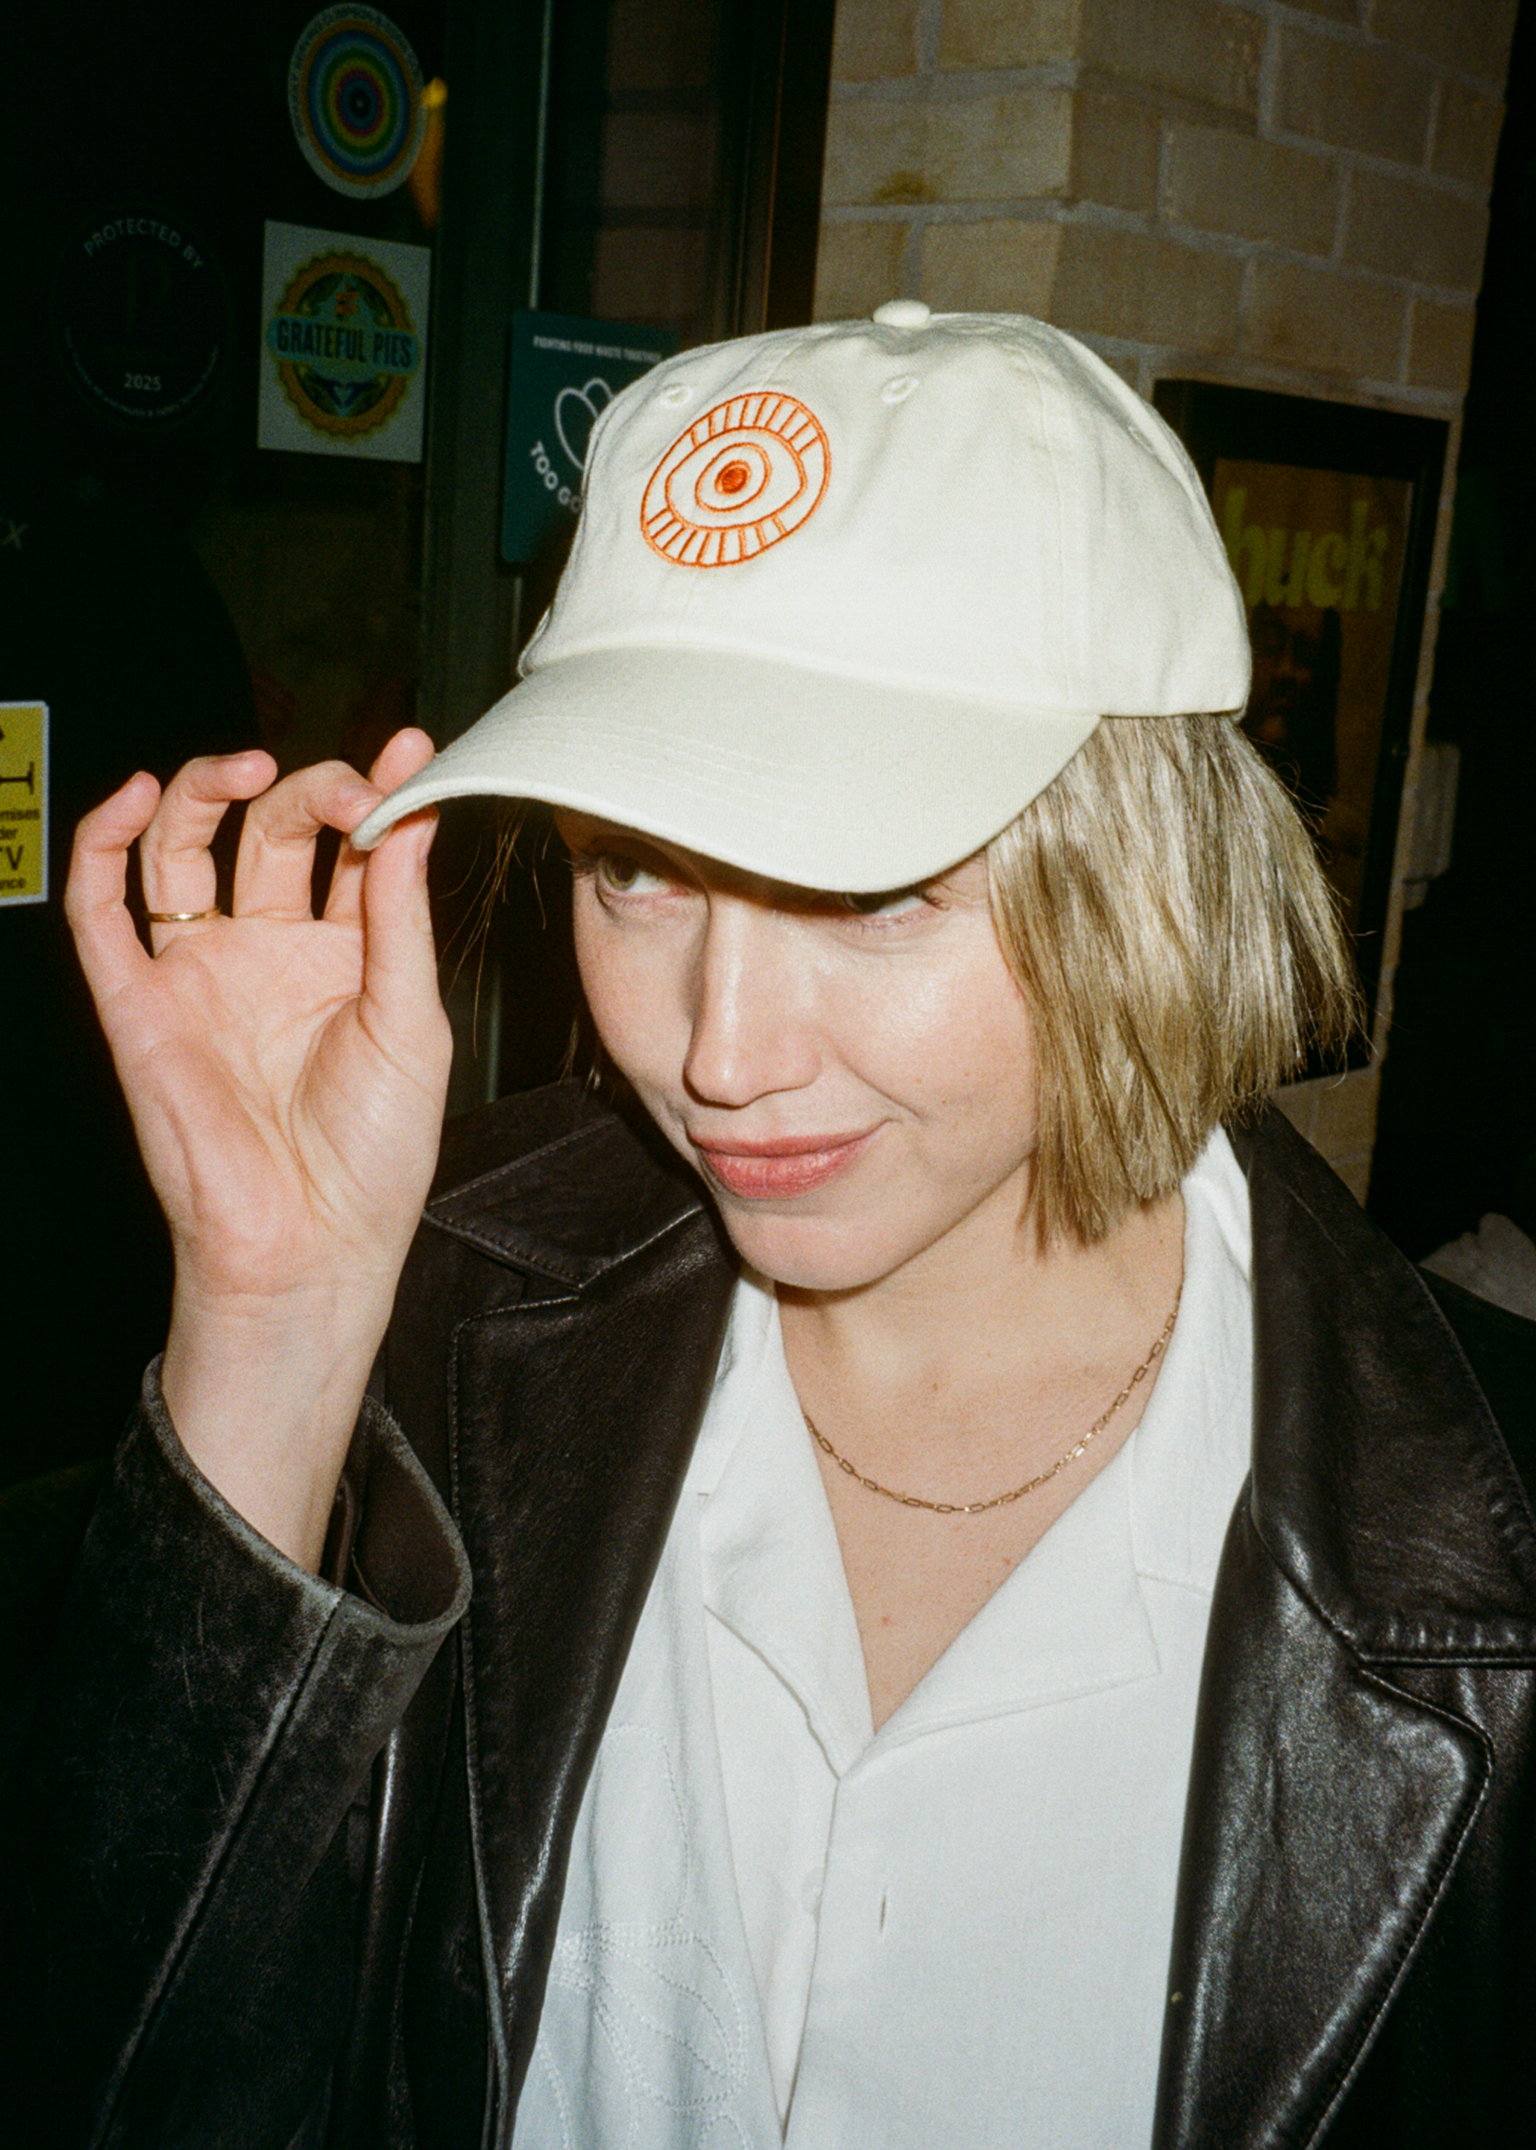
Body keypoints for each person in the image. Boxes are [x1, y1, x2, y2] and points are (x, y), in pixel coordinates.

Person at [5, 306, 1535, 2150]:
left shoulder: (1489, 1557)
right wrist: (272, 1320)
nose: (718, 1052)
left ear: (1150, 868)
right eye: (634, 867)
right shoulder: (428, 1314)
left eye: (872, 887)